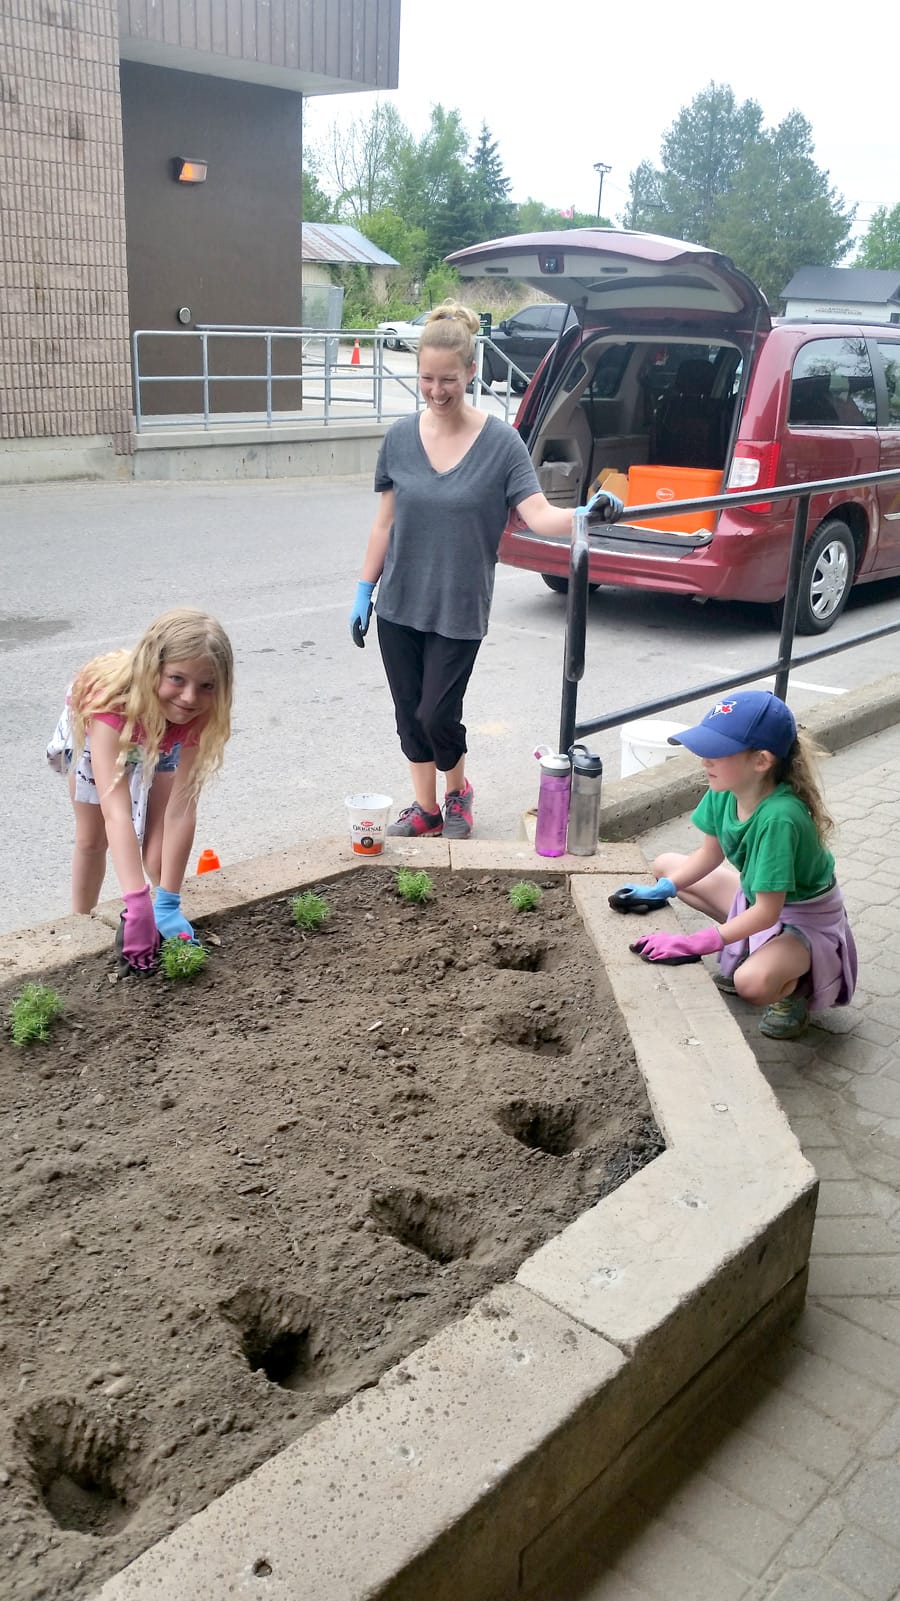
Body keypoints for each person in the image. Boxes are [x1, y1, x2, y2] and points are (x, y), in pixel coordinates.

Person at [350, 300, 623, 840]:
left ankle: (458, 794)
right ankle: (426, 808)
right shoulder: (400, 439)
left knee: (436, 714)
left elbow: (538, 514)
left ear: (471, 371)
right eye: (426, 378)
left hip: (459, 606)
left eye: (447, 378)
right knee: (409, 716)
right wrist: (364, 588)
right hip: (399, 603)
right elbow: (385, 522)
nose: (436, 390)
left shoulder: (501, 444)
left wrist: (584, 515)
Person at [609, 690, 857, 1040]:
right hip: (759, 898)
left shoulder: (780, 818)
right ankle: (755, 949)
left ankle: (795, 990)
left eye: (717, 751)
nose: (703, 760)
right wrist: (664, 889)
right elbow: (709, 856)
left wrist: (696, 943)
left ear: (761, 761)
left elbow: (768, 913)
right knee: (666, 866)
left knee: (751, 984)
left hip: (801, 918)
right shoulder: (725, 787)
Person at [47, 609, 234, 973]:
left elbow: (181, 810)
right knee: (92, 838)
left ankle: (160, 913)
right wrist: (135, 901)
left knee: (155, 834)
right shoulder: (109, 704)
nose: (190, 697)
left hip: (161, 736)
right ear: (153, 670)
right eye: (177, 679)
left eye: (206, 685)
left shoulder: (199, 713)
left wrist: (167, 901)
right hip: (110, 726)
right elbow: (114, 810)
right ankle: (81, 923)